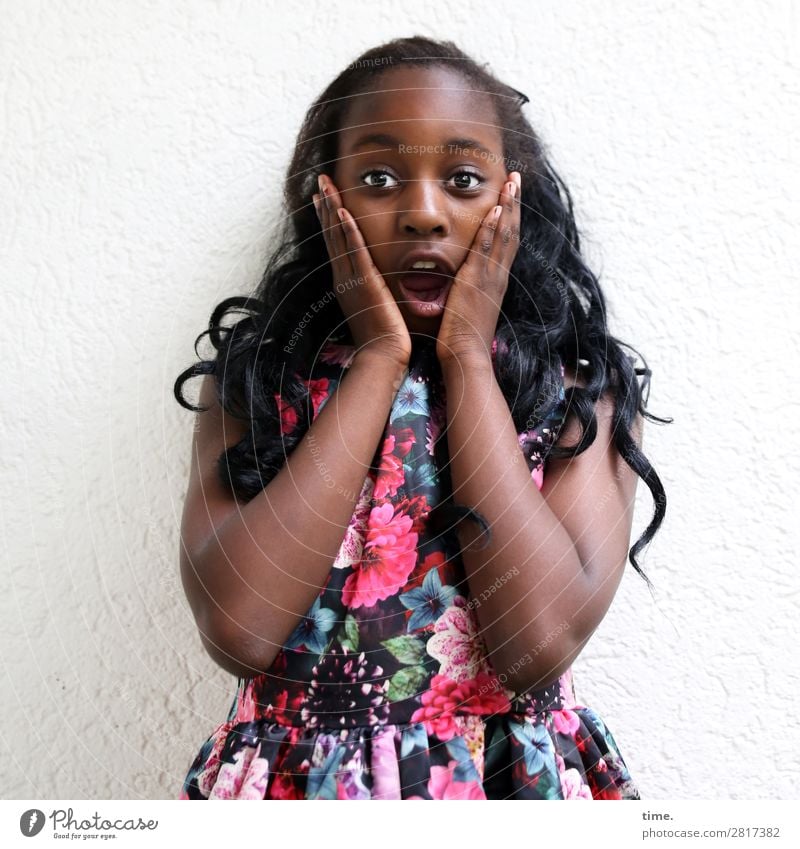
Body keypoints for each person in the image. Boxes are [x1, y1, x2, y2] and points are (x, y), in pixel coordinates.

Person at [173, 36, 670, 800]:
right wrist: (377, 359)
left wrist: (469, 356)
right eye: (378, 177)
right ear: (325, 197)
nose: (424, 213)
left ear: (514, 197)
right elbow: (239, 630)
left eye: (464, 179)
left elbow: (533, 646)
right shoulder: (258, 383)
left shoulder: (575, 395)